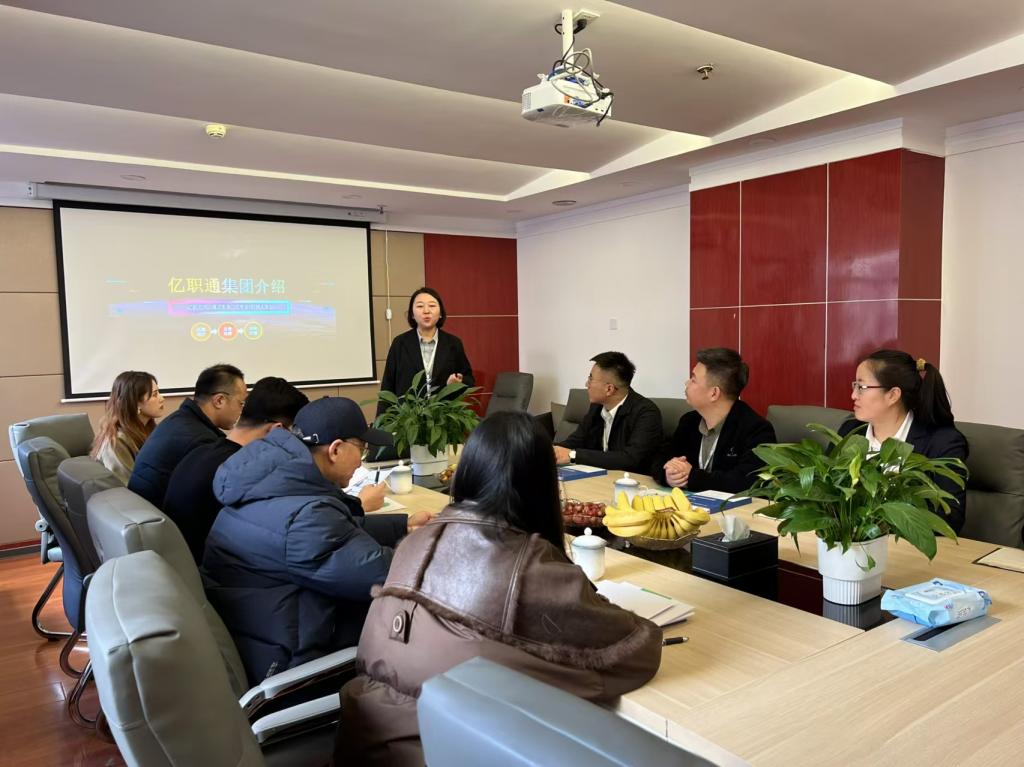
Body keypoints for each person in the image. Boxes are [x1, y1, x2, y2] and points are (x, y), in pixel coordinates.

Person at [339, 411, 662, 766]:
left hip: (367, 746)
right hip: (442, 753)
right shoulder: (528, 565)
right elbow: (635, 652)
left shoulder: (416, 541)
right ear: (543, 483)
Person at [202, 396, 431, 684]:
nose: (361, 461)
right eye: (362, 448)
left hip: (262, 632)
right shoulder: (307, 517)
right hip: (292, 662)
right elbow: (386, 575)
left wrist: (402, 526)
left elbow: (331, 536)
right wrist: (436, 548)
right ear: (335, 449)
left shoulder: (268, 481)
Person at [162, 377, 309, 563]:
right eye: (294, 435)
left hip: (181, 563)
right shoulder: (242, 473)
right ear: (277, 430)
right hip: (209, 570)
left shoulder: (202, 452)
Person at [840, 349, 969, 533]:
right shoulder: (850, 431)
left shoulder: (942, 443)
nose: (853, 395)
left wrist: (878, 526)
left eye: (861, 387)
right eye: (855, 385)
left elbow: (949, 519)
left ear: (893, 395)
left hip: (906, 548)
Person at [653, 348, 775, 493]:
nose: (686, 383)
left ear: (714, 393)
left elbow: (747, 482)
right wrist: (668, 475)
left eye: (693, 380)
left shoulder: (756, 430)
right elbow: (659, 459)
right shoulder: (689, 421)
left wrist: (692, 477)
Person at [128, 364, 246, 507]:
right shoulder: (203, 442)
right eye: (241, 403)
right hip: (162, 516)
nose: (241, 411)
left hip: (143, 510)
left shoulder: (178, 419)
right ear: (219, 400)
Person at [553, 352, 662, 472]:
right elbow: (576, 441)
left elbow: (630, 459)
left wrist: (573, 456)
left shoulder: (646, 413)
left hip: (631, 480)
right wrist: (549, 451)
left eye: (591, 379)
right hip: (599, 476)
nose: (587, 384)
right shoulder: (597, 407)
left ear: (609, 389)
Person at [377, 287, 475, 414]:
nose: (426, 311)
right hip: (408, 419)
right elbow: (388, 386)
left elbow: (469, 380)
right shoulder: (400, 343)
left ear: (440, 313)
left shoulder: (453, 343)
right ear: (412, 314)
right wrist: (382, 422)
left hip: (443, 417)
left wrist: (458, 382)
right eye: (420, 306)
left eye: (432, 306)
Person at [90, 371, 165, 484]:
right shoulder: (116, 442)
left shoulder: (151, 430)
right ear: (136, 402)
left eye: (159, 392)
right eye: (154, 395)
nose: (162, 398)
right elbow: (129, 486)